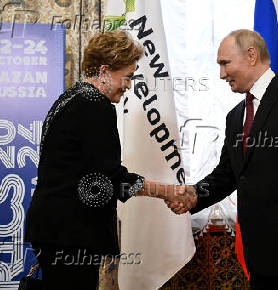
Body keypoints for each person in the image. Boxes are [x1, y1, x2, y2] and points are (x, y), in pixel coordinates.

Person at [169, 29, 278, 290]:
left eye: (225, 63)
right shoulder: (235, 116)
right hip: (260, 258)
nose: (221, 74)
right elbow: (228, 174)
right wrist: (195, 194)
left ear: (251, 55)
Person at [25, 30, 186, 290]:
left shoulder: (70, 98)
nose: (129, 85)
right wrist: (166, 191)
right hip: (71, 233)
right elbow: (110, 179)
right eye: (127, 76)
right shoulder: (94, 105)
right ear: (104, 70)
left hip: (55, 230)